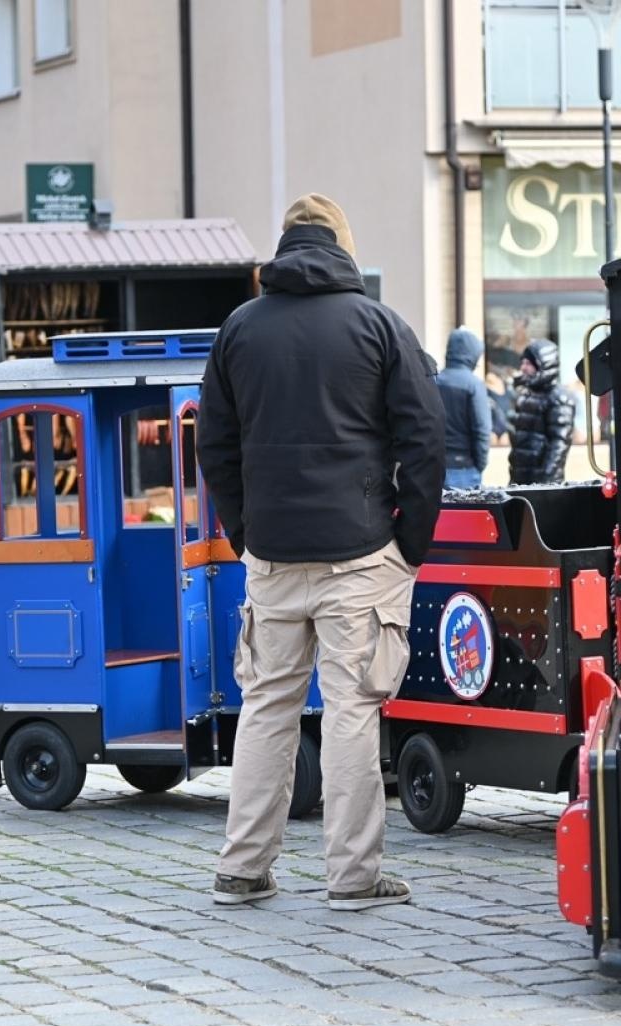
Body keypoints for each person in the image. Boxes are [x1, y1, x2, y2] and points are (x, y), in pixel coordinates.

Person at [198, 193, 444, 911]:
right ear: (343, 245)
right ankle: (352, 875)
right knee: (351, 709)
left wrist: (245, 531)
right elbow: (425, 438)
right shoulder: (376, 325)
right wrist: (410, 542)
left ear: (284, 246)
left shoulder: (240, 328)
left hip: (272, 555)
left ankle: (242, 867)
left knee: (266, 706)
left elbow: (213, 443)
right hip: (360, 552)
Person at [507, 338, 573, 485]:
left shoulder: (559, 398)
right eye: (523, 362)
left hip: (544, 485)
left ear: (544, 365)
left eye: (529, 363)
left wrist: (546, 485)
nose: (523, 368)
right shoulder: (525, 393)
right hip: (520, 481)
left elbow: (559, 445)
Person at [434, 327, 491, 489]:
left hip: (434, 465)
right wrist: (479, 465)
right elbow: (482, 430)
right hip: (464, 468)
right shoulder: (473, 384)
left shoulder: (434, 380)